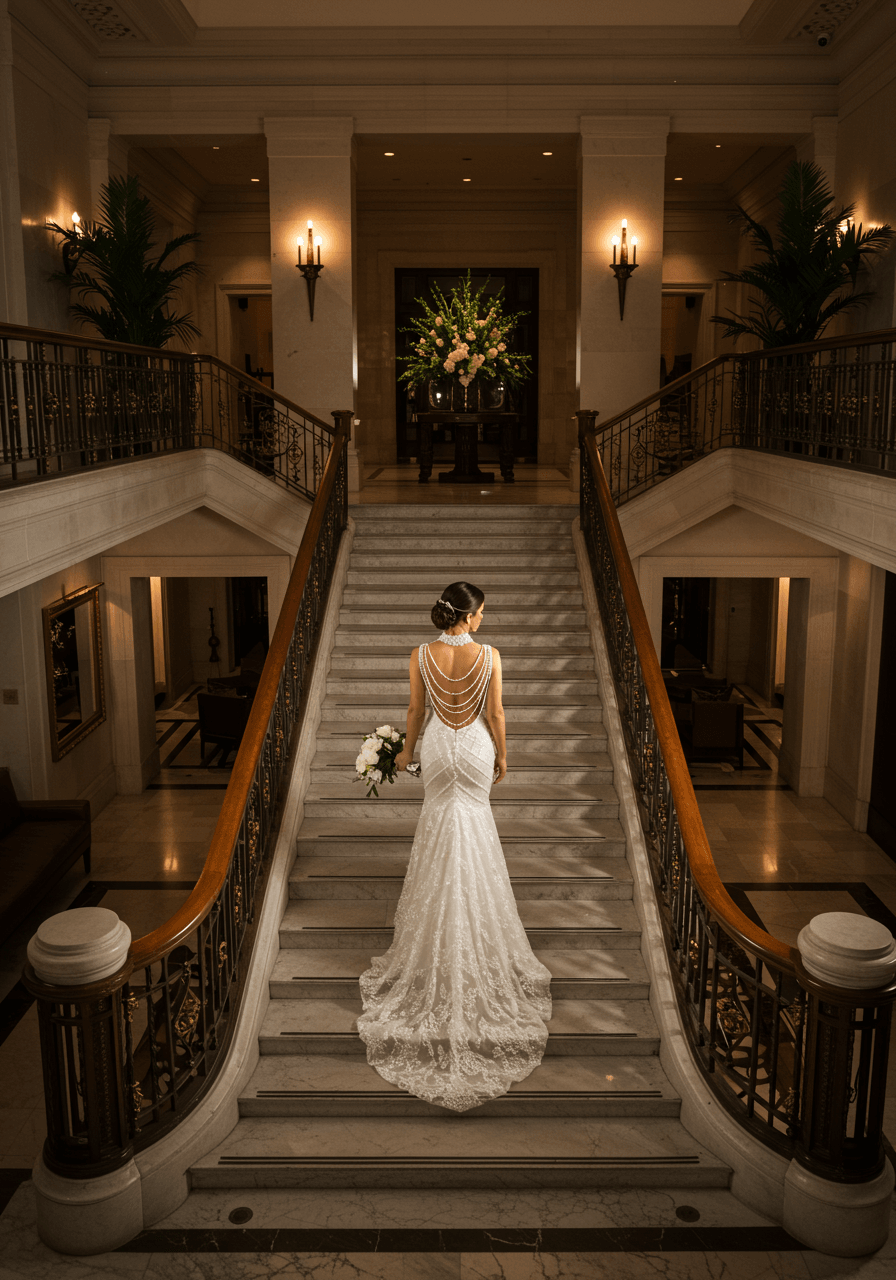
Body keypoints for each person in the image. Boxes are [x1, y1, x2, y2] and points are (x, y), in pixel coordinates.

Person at [357, 580, 552, 1112]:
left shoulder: (420, 653)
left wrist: (404, 754)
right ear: (468, 616)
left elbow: (415, 711)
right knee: (475, 829)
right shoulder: (489, 656)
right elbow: (497, 714)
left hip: (441, 749)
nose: (485, 620)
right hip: (474, 748)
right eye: (483, 612)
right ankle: (477, 932)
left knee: (440, 827)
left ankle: (433, 934)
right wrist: (504, 758)